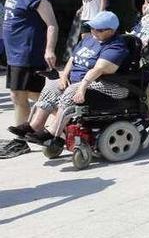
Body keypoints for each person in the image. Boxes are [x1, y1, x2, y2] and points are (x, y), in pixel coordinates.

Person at [9, 11, 128, 145]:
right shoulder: (88, 39)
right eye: (92, 27)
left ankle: (54, 133)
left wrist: (82, 88)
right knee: (52, 86)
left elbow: (98, 69)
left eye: (99, 29)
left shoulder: (116, 46)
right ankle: (35, 126)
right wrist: (64, 76)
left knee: (70, 91)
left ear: (111, 31)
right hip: (79, 80)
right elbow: (73, 59)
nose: (94, 31)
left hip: (107, 84)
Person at [2, 0, 59, 157]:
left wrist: (50, 49)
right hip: (14, 54)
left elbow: (51, 24)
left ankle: (22, 140)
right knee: (29, 95)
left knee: (22, 95)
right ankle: (61, 119)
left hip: (27, 54)